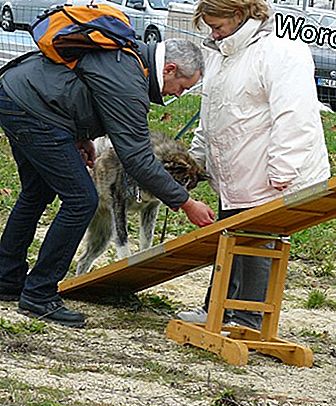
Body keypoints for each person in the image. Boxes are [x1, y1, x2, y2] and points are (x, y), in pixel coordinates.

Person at [0, 38, 216, 328]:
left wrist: (81, 135)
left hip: (17, 93)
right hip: (32, 108)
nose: (178, 94)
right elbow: (137, 157)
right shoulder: (131, 81)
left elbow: (81, 88)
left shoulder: (129, 60)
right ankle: (40, 294)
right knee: (82, 200)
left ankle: (6, 278)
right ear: (169, 69)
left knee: (36, 193)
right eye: (183, 87)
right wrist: (185, 201)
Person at [176, 0, 331, 329]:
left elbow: (295, 116)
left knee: (256, 240)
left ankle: (248, 317)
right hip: (238, 168)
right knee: (229, 235)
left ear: (239, 15)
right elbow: (211, 114)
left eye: (217, 26)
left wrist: (283, 170)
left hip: (270, 171)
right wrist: (196, 159)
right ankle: (217, 308)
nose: (213, 34)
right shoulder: (220, 55)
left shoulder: (281, 53)